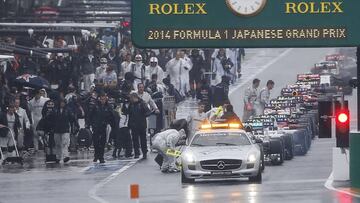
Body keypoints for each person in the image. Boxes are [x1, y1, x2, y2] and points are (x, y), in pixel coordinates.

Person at [88, 92, 114, 163]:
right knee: (96, 142)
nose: (103, 101)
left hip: (103, 126)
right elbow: (90, 115)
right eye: (101, 99)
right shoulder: (95, 106)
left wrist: (110, 123)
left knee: (102, 142)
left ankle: (101, 157)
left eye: (104, 99)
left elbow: (112, 116)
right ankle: (96, 155)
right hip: (96, 126)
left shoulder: (108, 106)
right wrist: (89, 124)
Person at [124, 93, 151, 159]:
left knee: (143, 140)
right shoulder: (131, 104)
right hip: (134, 125)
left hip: (141, 124)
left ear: (135, 97)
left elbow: (148, 112)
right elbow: (128, 113)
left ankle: (144, 152)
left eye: (131, 98)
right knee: (135, 140)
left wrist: (143, 115)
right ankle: (137, 153)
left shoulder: (142, 103)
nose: (130, 99)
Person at [50, 98, 75, 163]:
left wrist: (74, 126)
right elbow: (51, 119)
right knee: (58, 144)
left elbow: (72, 119)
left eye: (63, 102)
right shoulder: (55, 110)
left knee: (65, 143)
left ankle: (65, 156)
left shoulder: (68, 110)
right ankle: (58, 157)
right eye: (61, 102)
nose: (62, 104)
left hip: (65, 129)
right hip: (56, 129)